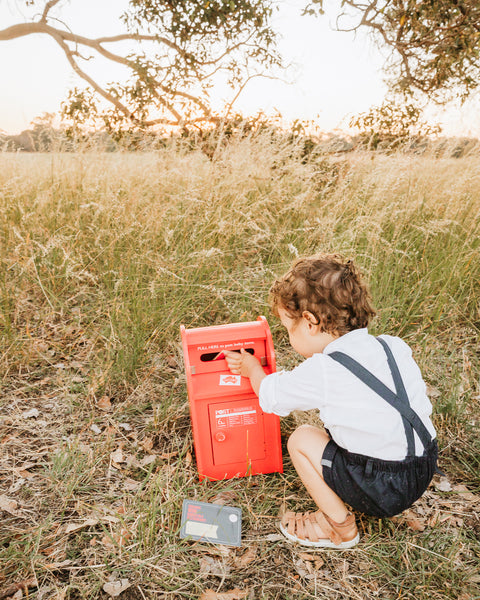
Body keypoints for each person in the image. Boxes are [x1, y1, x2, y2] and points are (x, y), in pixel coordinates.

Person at [224, 253, 438, 549]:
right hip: (423, 466)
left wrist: (252, 370)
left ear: (310, 322)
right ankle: (368, 495)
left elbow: (272, 395)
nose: (289, 337)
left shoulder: (325, 369)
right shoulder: (392, 345)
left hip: (383, 485)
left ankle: (339, 528)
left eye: (289, 328)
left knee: (301, 439)